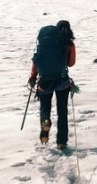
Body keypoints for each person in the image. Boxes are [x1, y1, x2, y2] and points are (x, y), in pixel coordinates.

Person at [28, 20, 76, 150]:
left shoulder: (44, 43)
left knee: (45, 106)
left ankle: (45, 121)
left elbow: (36, 61)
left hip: (44, 81)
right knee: (62, 111)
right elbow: (71, 63)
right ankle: (61, 142)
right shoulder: (69, 44)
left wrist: (33, 77)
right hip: (62, 81)